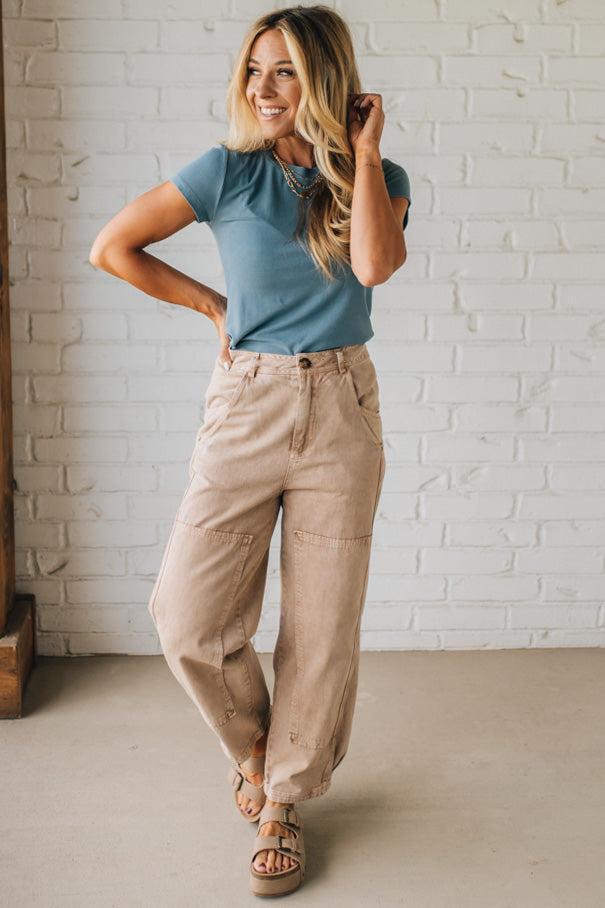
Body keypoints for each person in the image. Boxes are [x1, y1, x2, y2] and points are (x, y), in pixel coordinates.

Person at [89, 4, 410, 897]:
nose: (264, 89)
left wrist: (366, 154)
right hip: (249, 400)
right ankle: (260, 754)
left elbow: (375, 268)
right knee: (185, 615)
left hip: (341, 406)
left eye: (286, 70)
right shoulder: (225, 171)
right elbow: (113, 246)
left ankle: (283, 806)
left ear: (327, 78)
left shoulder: (377, 177)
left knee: (322, 624)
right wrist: (213, 307)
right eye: (255, 69)